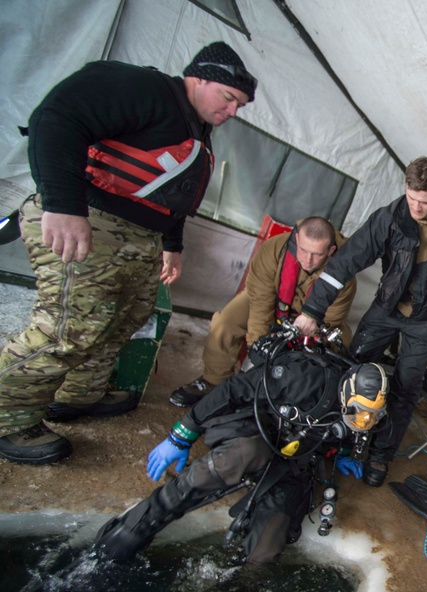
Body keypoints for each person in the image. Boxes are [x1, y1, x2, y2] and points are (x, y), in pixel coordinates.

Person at [0, 42, 257, 465]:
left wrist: (172, 246)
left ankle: (80, 394)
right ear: (200, 78)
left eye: (240, 106)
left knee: (125, 317)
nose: (232, 112)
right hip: (91, 221)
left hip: (140, 238)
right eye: (229, 98)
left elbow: (173, 194)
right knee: (70, 329)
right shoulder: (145, 88)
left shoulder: (196, 129)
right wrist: (63, 204)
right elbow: (57, 117)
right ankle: (10, 416)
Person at [94, 333, 389, 565]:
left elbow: (348, 434)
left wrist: (347, 453)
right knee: (240, 456)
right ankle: (135, 527)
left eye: (371, 416)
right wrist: (182, 434)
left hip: (293, 459)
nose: (362, 421)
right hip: (254, 428)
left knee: (267, 546)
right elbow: (232, 391)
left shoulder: (363, 421)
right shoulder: (302, 376)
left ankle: (231, 590)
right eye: (359, 412)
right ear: (346, 392)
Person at [293, 157, 427, 487]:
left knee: (406, 387)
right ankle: (337, 439)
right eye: (411, 197)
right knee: (352, 369)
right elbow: (345, 263)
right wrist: (312, 311)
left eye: (424, 202)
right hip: (387, 308)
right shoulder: (389, 217)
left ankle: (380, 455)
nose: (415, 206)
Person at [169, 216, 357, 407]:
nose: (308, 260)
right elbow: (260, 301)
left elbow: (331, 318)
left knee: (340, 345)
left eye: (317, 254)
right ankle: (214, 381)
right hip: (272, 301)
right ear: (297, 240)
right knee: (225, 322)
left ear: (330, 250)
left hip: (313, 319)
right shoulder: (274, 249)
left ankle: (297, 399)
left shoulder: (344, 273)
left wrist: (293, 345)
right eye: (303, 250)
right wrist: (257, 345)